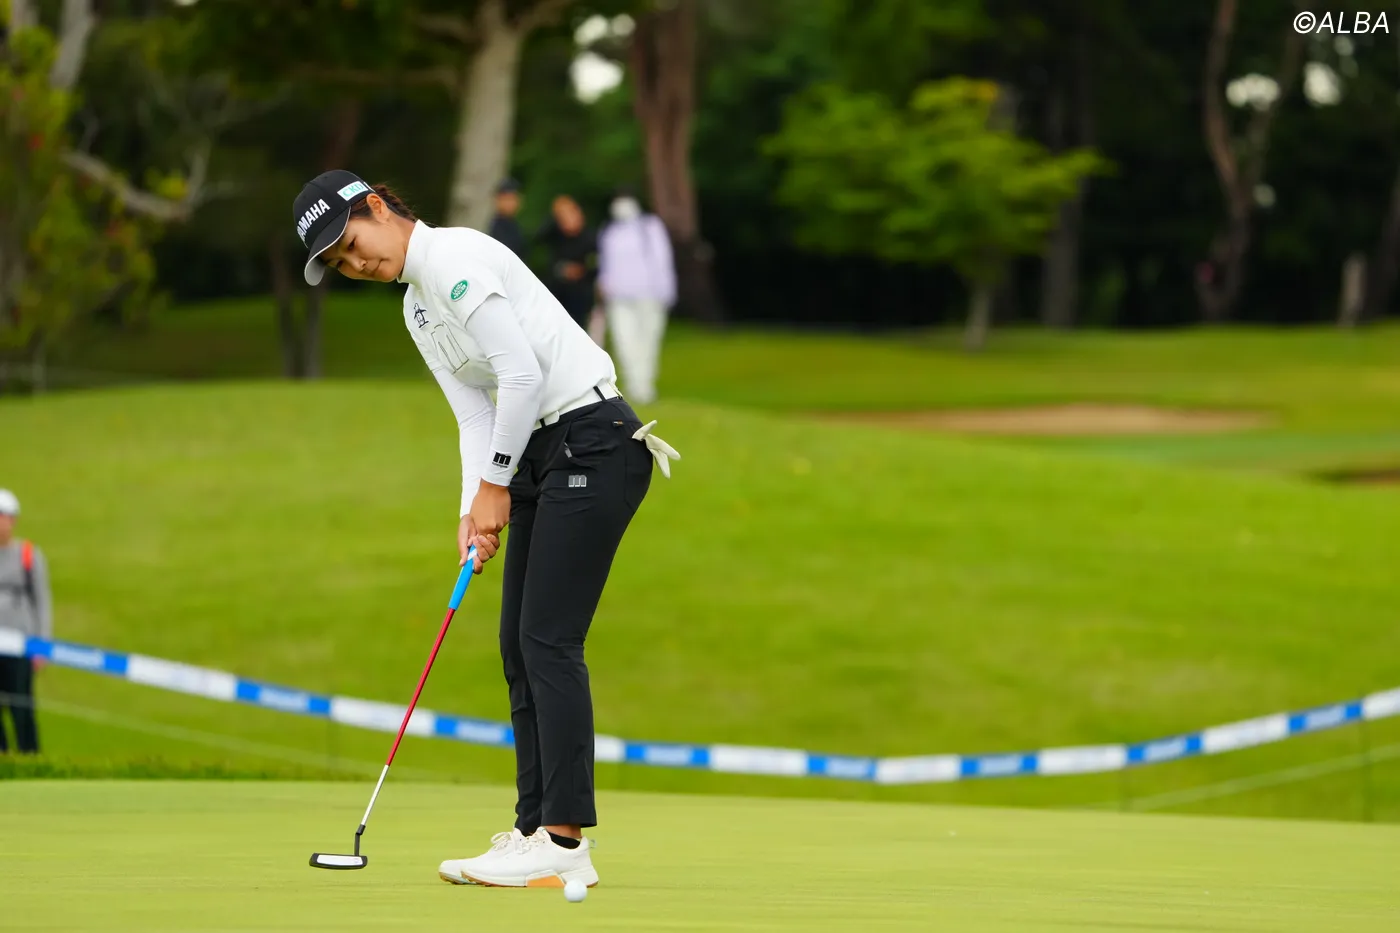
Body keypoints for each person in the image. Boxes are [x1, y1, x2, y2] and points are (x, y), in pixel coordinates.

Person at [292, 170, 679, 889]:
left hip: (594, 440)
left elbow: (521, 375)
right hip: (538, 453)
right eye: (340, 263)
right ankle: (532, 830)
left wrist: (496, 483)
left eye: (352, 243)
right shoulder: (417, 307)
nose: (356, 263)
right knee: (518, 644)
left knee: (549, 640)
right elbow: (475, 412)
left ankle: (564, 840)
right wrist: (472, 507)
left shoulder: (456, 258)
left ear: (377, 207)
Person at [597, 188, 676, 406]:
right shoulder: (610, 232)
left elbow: (663, 260)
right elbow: (606, 265)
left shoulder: (650, 227)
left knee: (648, 341)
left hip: (649, 295)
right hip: (619, 298)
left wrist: (666, 292)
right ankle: (633, 384)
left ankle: (645, 385)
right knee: (624, 341)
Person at [0, 489, 50, 755]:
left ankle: (30, 758)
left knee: (21, 706)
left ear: (13, 521)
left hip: (21, 646)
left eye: (3, 517)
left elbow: (42, 601)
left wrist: (42, 646)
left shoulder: (28, 555)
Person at [536, 195, 598, 333]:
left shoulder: (590, 238)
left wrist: (581, 271)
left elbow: (597, 265)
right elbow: (538, 238)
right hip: (559, 295)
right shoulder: (555, 236)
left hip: (583, 296)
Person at [487, 178, 527, 259]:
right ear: (498, 200)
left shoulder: (512, 225)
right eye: (507, 199)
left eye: (514, 198)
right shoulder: (499, 228)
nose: (512, 203)